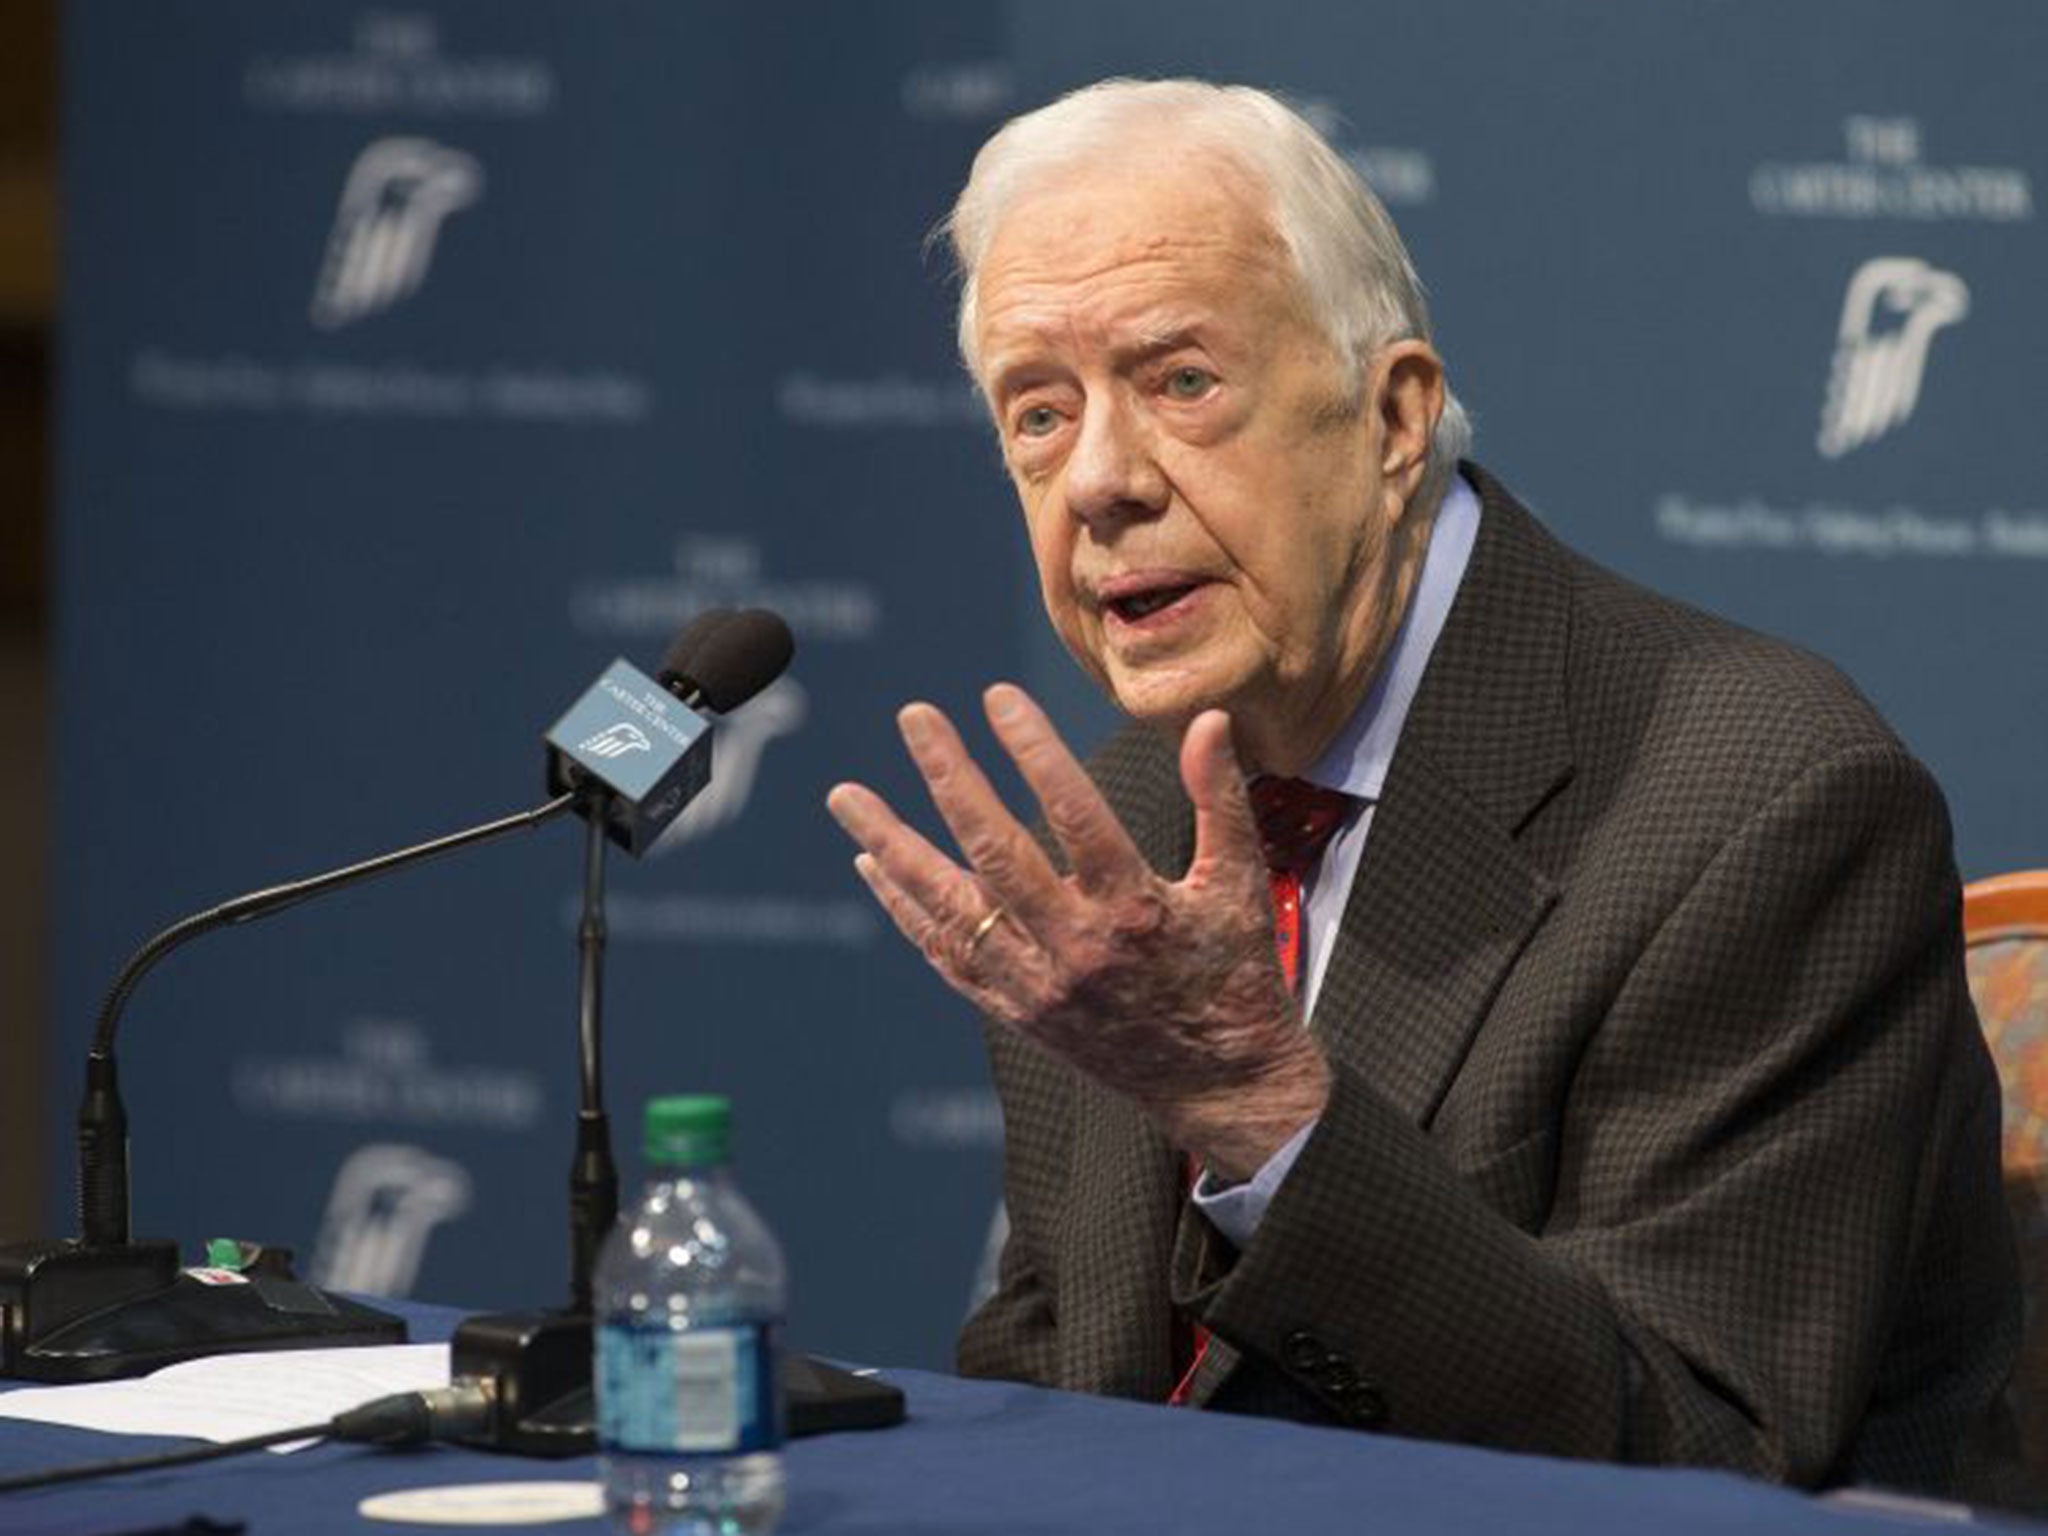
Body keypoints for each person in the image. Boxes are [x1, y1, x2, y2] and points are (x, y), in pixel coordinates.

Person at [825, 78, 2020, 1501]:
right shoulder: (1134, 802)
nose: (1097, 480)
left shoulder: (1767, 804)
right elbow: (1063, 1374)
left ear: (1395, 416)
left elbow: (1703, 1458)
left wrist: (1262, 1115)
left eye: (1180, 383)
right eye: (1036, 414)